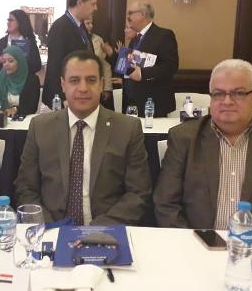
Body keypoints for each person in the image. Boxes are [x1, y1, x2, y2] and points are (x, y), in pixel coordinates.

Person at [153, 59, 252, 231]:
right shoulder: (184, 138)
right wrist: (190, 244)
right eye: (218, 94)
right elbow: (165, 205)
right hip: (195, 242)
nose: (227, 101)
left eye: (238, 93)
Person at [15, 50, 151, 225]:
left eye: (91, 80)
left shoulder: (127, 129)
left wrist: (96, 230)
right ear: (63, 85)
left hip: (106, 230)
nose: (83, 88)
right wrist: (49, 227)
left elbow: (138, 193)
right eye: (74, 80)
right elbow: (26, 188)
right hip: (51, 229)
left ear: (102, 84)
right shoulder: (40, 127)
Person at [104, 1, 179, 117]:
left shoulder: (163, 35)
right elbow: (127, 66)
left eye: (130, 13)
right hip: (130, 103)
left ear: (142, 14)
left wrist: (142, 74)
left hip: (152, 104)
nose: (127, 17)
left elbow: (170, 66)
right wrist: (112, 55)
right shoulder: (135, 40)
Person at [42, 0, 98, 108]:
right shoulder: (60, 27)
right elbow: (55, 65)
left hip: (80, 92)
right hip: (65, 97)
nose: (95, 8)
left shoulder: (80, 26)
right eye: (93, 4)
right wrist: (60, 98)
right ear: (80, 3)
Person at [0, 9, 42, 75]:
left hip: (25, 80)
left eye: (11, 20)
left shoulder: (29, 42)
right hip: (5, 80)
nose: (8, 23)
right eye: (8, 20)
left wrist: (22, 61)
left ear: (20, 22)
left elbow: (37, 66)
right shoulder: (2, 41)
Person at [0, 46, 40, 117]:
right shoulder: (1, 78)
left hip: (22, 119)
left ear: (20, 62)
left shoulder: (32, 80)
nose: (6, 64)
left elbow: (32, 107)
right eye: (4, 62)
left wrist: (15, 109)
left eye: (10, 61)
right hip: (2, 118)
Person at [83, 18, 112, 103]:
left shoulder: (98, 40)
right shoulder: (73, 38)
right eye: (87, 23)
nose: (91, 26)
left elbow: (105, 64)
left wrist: (107, 88)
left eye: (91, 23)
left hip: (95, 83)